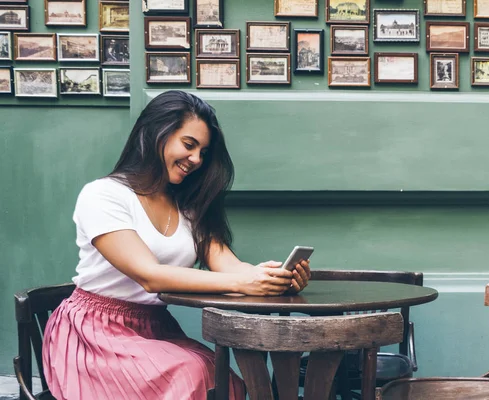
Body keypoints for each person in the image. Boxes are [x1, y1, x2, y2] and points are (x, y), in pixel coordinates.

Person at [42, 90, 311, 400]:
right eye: (189, 145)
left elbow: (232, 267)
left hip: (156, 329)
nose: (196, 159)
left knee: (225, 379)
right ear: (156, 134)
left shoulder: (189, 209)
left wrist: (276, 277)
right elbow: (149, 275)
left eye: (203, 152)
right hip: (94, 334)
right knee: (190, 374)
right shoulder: (103, 195)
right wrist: (244, 281)